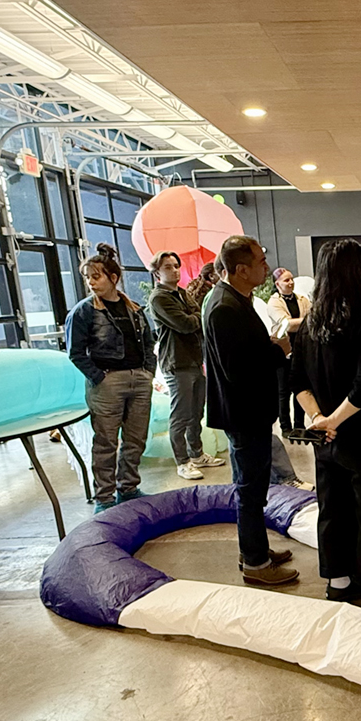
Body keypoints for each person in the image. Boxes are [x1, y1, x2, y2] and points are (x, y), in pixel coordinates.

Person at [291, 239, 361, 611]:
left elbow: (297, 382)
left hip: (326, 438)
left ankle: (339, 583)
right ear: (358, 274)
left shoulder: (309, 324)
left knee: (333, 507)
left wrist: (319, 420)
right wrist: (335, 419)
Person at [202, 235, 299, 587]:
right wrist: (278, 351)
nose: (266, 266)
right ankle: (256, 563)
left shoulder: (238, 299)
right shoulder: (224, 307)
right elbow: (237, 370)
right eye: (259, 261)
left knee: (256, 486)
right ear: (240, 269)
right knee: (249, 489)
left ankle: (254, 549)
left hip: (251, 411)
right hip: (243, 413)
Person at [65, 243, 154, 511]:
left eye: (96, 276)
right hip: (107, 382)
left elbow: (149, 343)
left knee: (136, 439)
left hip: (138, 378)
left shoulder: (134, 308)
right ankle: (104, 497)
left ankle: (128, 488)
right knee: (105, 442)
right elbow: (75, 352)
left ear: (113, 278)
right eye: (87, 277)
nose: (91, 282)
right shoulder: (84, 311)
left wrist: (148, 372)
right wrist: (98, 377)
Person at [148, 251, 226, 481]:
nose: (174, 270)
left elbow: (197, 316)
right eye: (168, 267)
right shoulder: (159, 298)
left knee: (196, 412)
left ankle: (197, 453)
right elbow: (186, 323)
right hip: (176, 362)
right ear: (157, 272)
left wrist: (194, 316)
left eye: (175, 265)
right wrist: (194, 317)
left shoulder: (182, 293)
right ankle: (182, 461)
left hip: (194, 360)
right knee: (180, 415)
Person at [269, 267, 311, 431]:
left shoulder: (302, 299)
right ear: (277, 283)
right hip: (283, 352)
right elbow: (286, 324)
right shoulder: (274, 302)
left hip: (301, 350)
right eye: (286, 280)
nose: (291, 282)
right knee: (283, 391)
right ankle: (285, 426)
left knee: (300, 388)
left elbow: (301, 321)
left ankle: (299, 425)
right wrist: (307, 321)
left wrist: (297, 323)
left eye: (292, 279)